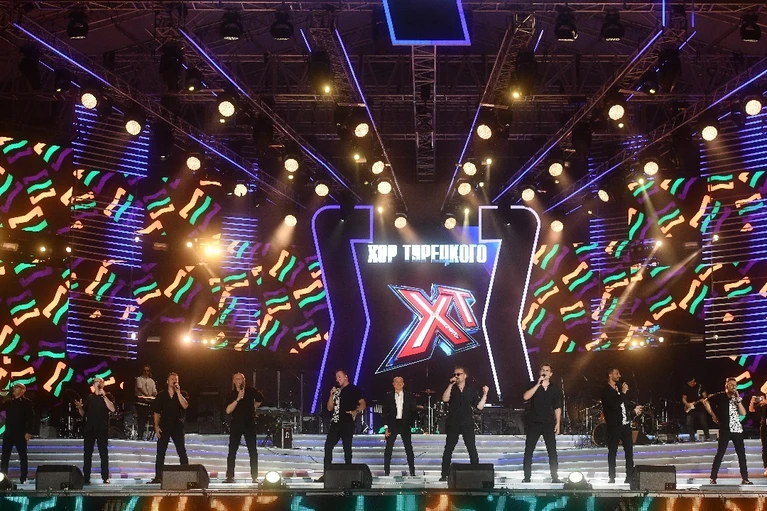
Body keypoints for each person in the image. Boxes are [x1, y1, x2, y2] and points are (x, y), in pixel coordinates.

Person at [439, 365, 489, 482]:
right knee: (448, 449)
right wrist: (450, 384)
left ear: (465, 375)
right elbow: (445, 399)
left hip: (467, 422)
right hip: (453, 422)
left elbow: (479, 407)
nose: (456, 376)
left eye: (458, 374)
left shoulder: (471, 390)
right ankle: (444, 474)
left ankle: (476, 474)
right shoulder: (452, 389)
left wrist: (485, 394)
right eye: (455, 374)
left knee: (471, 448)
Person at [318, 369, 365, 482]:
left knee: (347, 448)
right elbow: (329, 408)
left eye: (339, 376)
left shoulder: (353, 389)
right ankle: (327, 473)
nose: (337, 379)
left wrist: (356, 411)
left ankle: (349, 474)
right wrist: (331, 394)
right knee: (328, 446)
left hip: (347, 422)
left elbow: (363, 403)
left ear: (346, 377)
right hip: (335, 423)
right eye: (336, 377)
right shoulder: (337, 391)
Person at [704, 377, 752, 484]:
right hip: (725, 428)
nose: (733, 387)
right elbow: (705, 401)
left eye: (735, 385)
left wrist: (738, 399)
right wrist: (713, 415)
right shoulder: (720, 396)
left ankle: (745, 478)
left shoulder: (736, 398)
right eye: (731, 385)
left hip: (737, 429)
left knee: (741, 455)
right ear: (726, 385)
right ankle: (713, 477)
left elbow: (743, 413)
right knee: (720, 453)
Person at [601, 367, 642, 483]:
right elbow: (615, 405)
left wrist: (634, 409)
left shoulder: (618, 388)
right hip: (614, 426)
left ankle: (629, 476)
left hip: (625, 425)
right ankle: (612, 477)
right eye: (617, 373)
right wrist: (623, 393)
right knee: (612, 451)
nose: (619, 376)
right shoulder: (606, 391)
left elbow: (624, 404)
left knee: (629, 451)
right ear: (610, 375)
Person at [521, 363, 561, 483]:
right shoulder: (533, 385)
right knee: (529, 450)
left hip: (548, 423)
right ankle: (527, 477)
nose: (544, 372)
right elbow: (525, 397)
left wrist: (558, 423)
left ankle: (555, 477)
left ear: (551, 374)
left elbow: (557, 407)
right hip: (534, 422)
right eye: (543, 370)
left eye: (547, 370)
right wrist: (538, 384)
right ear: (539, 372)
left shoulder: (554, 389)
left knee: (552, 451)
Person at [149, 372, 189, 484]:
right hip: (164, 425)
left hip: (177, 426)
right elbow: (156, 412)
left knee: (181, 450)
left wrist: (178, 393)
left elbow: (185, 405)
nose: (174, 381)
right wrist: (156, 426)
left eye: (176, 379)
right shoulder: (161, 395)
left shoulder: (182, 393)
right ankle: (158, 476)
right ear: (167, 381)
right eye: (172, 379)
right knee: (161, 451)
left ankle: (187, 475)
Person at [224, 372, 263, 483]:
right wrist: (238, 399)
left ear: (244, 381)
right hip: (236, 424)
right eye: (237, 379)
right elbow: (228, 410)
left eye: (241, 379)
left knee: (252, 450)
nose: (239, 381)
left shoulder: (250, 391)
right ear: (234, 381)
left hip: (249, 424)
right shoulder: (231, 395)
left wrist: (253, 408)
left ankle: (254, 476)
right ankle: (230, 476)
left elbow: (260, 399)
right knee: (232, 451)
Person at [75, 377, 116, 484]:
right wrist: (80, 408)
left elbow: (112, 409)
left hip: (102, 428)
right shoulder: (89, 397)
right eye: (95, 382)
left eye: (99, 381)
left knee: (103, 453)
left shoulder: (107, 396)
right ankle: (86, 477)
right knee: (87, 453)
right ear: (93, 385)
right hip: (90, 428)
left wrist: (104, 396)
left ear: (103, 384)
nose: (97, 383)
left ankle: (105, 477)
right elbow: (83, 414)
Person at [382, 376, 418, 476]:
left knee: (408, 448)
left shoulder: (409, 396)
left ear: (403, 384)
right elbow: (385, 412)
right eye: (396, 382)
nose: (398, 384)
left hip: (405, 424)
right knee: (388, 448)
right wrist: (386, 427)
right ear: (393, 384)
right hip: (392, 424)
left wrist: (410, 424)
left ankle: (412, 471)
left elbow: (413, 411)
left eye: (400, 382)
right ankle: (386, 472)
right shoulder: (388, 396)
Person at [0, 383, 34, 484]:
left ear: (23, 390)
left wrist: (29, 432)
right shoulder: (9, 402)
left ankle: (23, 477)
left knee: (22, 456)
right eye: (14, 387)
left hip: (21, 433)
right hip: (9, 433)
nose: (14, 389)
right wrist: (1, 397)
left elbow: (31, 418)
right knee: (5, 456)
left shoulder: (27, 403)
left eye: (16, 387)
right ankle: (3, 478)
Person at [682, 376, 710, 442]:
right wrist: (687, 404)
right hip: (690, 408)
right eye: (688, 383)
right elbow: (683, 398)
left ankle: (707, 437)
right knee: (689, 423)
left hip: (700, 408)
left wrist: (703, 399)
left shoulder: (700, 387)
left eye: (691, 382)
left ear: (693, 380)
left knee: (703, 422)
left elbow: (705, 397)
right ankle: (692, 438)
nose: (690, 384)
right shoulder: (686, 387)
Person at [135, 365, 157, 440]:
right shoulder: (139, 379)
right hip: (141, 402)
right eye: (144, 370)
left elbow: (154, 391)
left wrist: (158, 396)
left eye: (147, 370)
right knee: (142, 419)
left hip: (150, 402)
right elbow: (140, 388)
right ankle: (140, 436)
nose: (146, 372)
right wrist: (147, 396)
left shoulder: (152, 381)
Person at [749, 390, 767, 477]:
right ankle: (766, 468)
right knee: (765, 447)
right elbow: (751, 410)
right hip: (764, 427)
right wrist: (752, 401)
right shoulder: (762, 403)